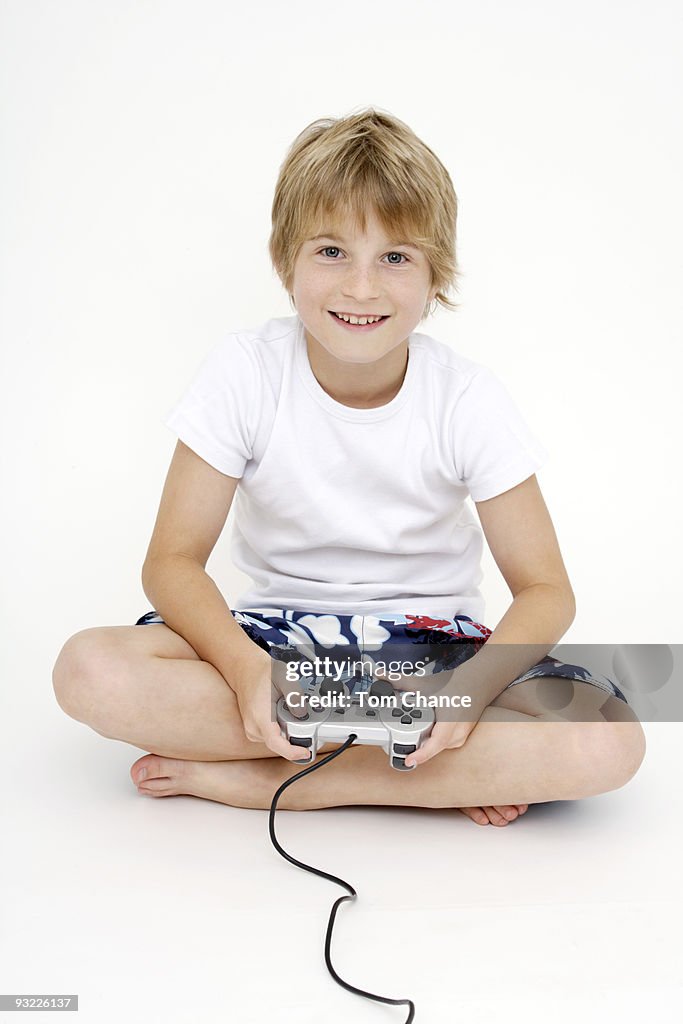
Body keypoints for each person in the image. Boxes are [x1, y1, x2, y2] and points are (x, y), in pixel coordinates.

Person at [52, 108, 645, 826]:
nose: (360, 288)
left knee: (607, 738)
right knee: (88, 670)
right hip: (275, 644)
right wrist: (246, 673)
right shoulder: (244, 372)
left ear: (435, 278)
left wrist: (463, 696)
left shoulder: (466, 397)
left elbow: (546, 590)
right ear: (285, 261)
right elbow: (172, 561)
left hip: (432, 654)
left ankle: (295, 781)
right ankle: (427, 775)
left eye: (394, 258)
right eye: (331, 251)